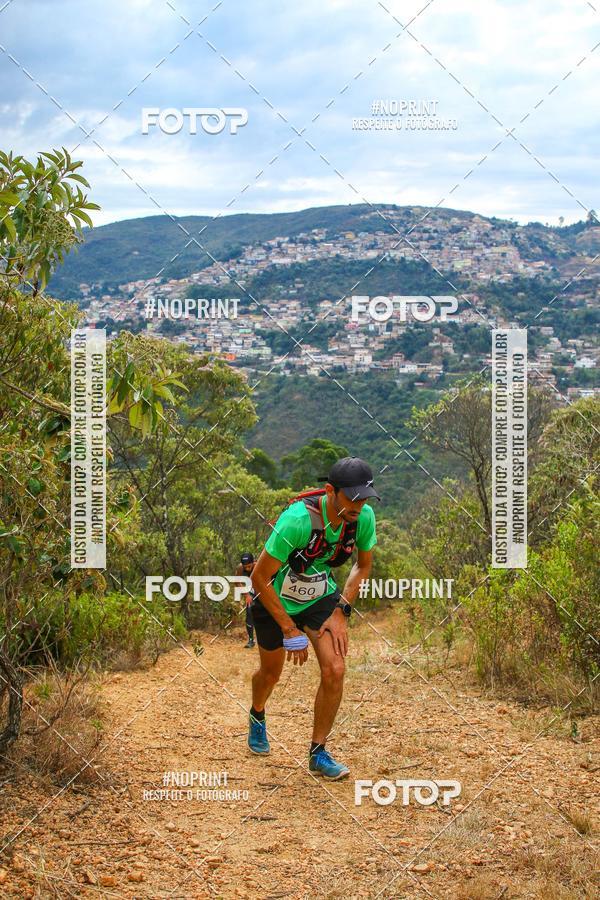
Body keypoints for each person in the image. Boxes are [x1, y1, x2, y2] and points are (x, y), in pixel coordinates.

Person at [247, 456, 379, 780]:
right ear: (331, 491)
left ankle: (318, 752)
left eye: (364, 498)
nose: (359, 505)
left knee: (335, 668)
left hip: (319, 597)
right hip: (274, 599)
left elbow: (362, 566)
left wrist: (342, 610)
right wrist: (288, 628)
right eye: (352, 497)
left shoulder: (362, 518)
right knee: (270, 674)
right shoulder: (297, 521)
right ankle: (257, 714)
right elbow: (259, 578)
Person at [236, 552, 256, 648]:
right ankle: (251, 640)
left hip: (263, 588)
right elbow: (237, 582)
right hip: (251, 589)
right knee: (249, 610)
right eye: (245, 567)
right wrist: (247, 595)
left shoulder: (258, 565)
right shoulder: (240, 568)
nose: (247, 568)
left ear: (253, 562)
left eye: (249, 566)